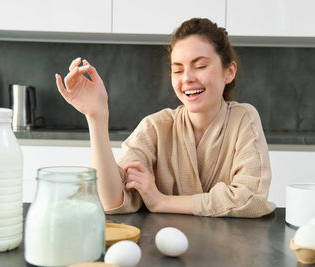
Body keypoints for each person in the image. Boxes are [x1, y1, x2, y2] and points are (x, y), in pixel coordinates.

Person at [55, 18, 276, 217]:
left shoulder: (243, 119)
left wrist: (162, 201)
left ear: (229, 71)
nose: (187, 78)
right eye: (178, 70)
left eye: (200, 66)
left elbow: (251, 199)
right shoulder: (156, 127)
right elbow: (111, 200)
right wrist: (97, 117)